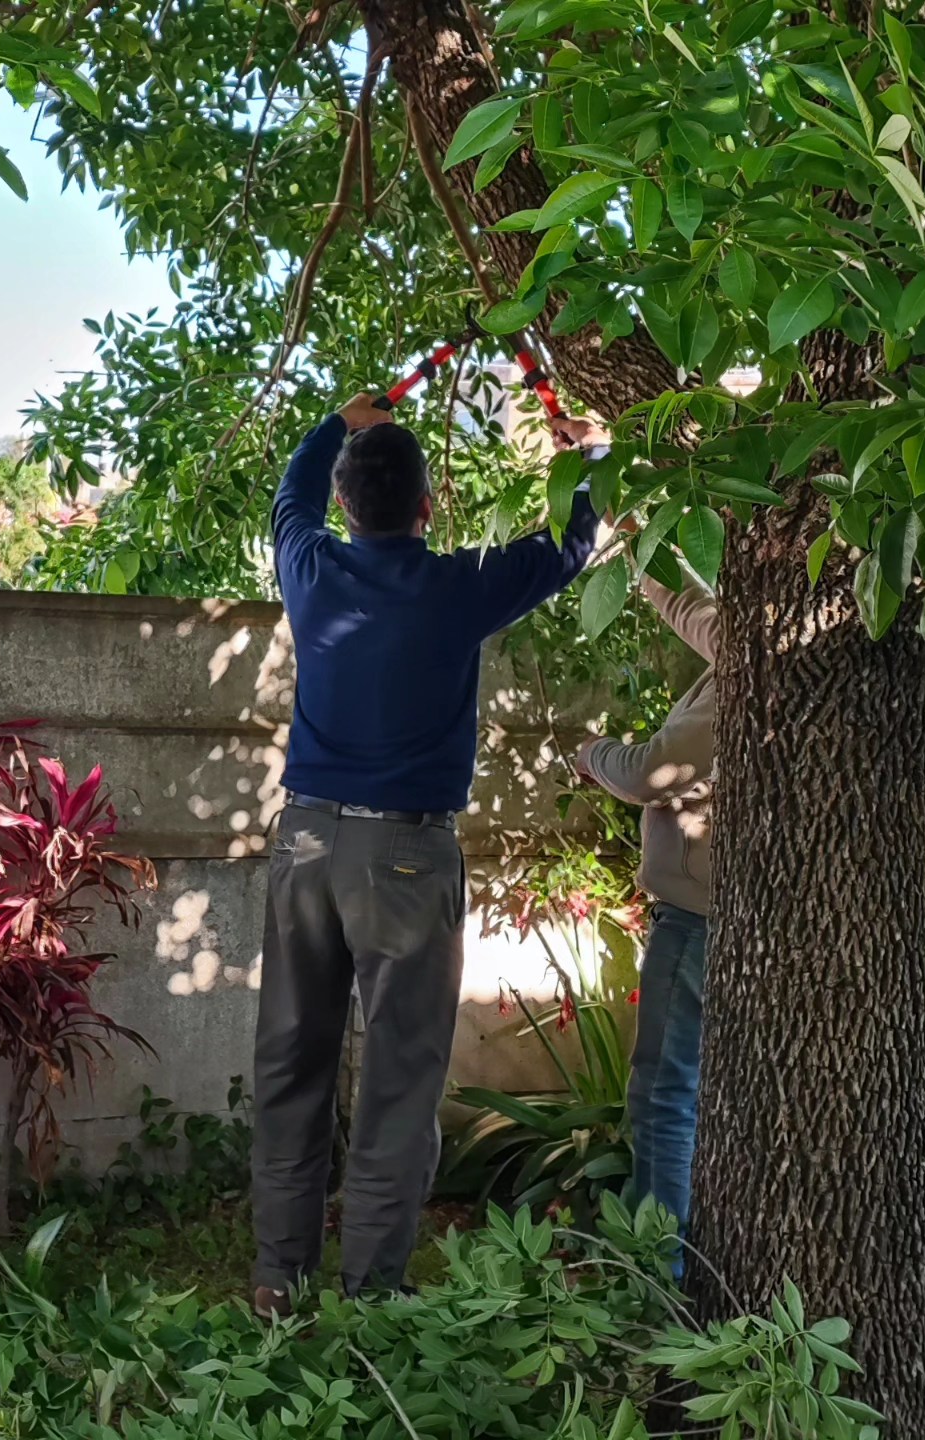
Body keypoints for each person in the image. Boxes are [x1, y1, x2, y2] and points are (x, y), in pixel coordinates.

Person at [251, 391, 609, 1317]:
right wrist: (589, 457)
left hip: (302, 841)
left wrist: (340, 422)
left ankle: (277, 1282)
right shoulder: (459, 586)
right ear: (427, 507)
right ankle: (371, 1297)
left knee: (293, 1060)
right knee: (401, 1080)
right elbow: (572, 546)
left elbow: (288, 501)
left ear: (347, 503)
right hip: (404, 855)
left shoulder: (311, 568)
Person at [574, 525, 716, 1267]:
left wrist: (590, 753)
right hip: (714, 915)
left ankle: (658, 1271)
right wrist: (635, 531)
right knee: (676, 1093)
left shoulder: (752, 670)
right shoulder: (760, 640)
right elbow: (691, 605)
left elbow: (651, 772)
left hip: (697, 919)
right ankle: (647, 1252)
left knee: (664, 1093)